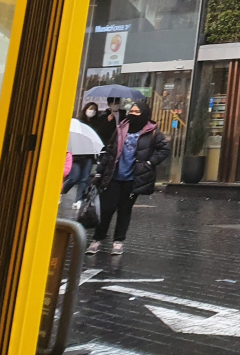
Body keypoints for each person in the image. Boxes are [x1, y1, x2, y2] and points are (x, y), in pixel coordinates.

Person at [88, 102, 170, 255]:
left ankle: (118, 241)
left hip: (134, 178)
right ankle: (97, 239)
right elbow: (109, 151)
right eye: (131, 111)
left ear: (144, 113)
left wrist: (149, 163)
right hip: (114, 175)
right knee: (106, 208)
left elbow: (164, 150)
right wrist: (99, 171)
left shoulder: (151, 131)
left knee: (124, 210)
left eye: (137, 111)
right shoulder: (121, 128)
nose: (133, 114)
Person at [63, 101, 115, 205]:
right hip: (77, 154)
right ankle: (60, 192)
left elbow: (100, 134)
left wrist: (108, 122)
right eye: (90, 109)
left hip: (89, 155)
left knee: (85, 178)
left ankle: (79, 200)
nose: (92, 112)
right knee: (74, 177)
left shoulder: (97, 123)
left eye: (94, 110)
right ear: (85, 109)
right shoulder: (78, 122)